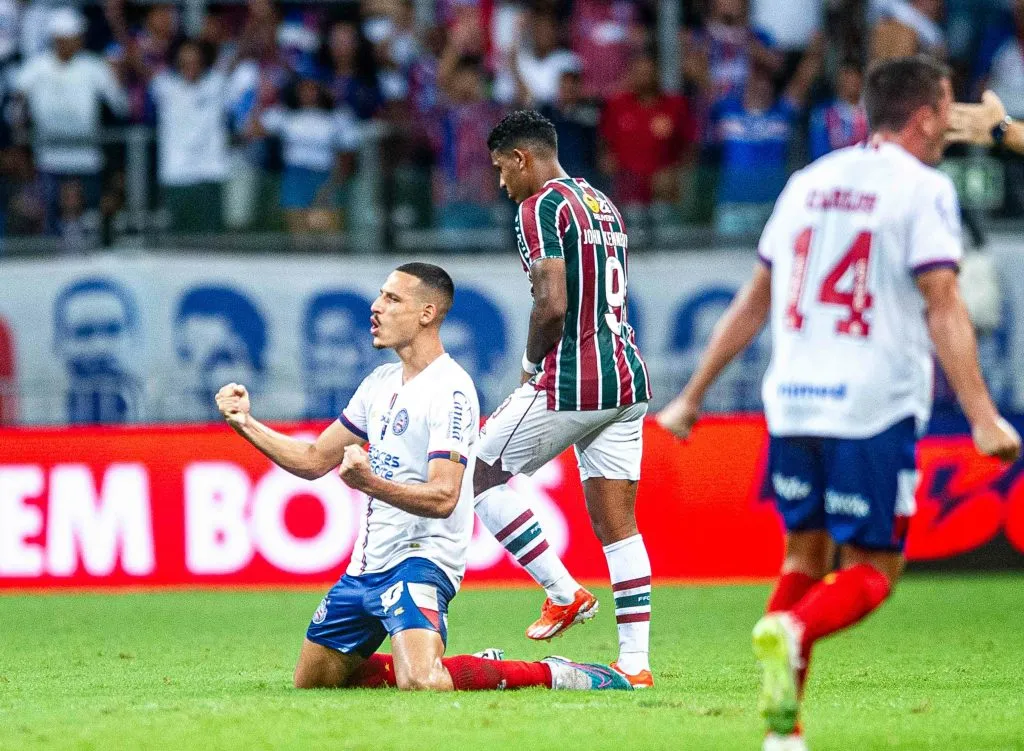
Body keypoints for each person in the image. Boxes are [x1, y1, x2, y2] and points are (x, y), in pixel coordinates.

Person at [657, 56, 1022, 750]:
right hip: (870, 404)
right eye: (946, 108)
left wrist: (692, 396)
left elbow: (753, 298)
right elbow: (944, 305)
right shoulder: (922, 189)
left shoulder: (808, 181)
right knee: (873, 569)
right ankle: (794, 628)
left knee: (803, 557)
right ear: (926, 116)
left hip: (791, 401)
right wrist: (980, 415)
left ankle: (782, 733)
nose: (951, 121)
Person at [215, 262, 630, 693]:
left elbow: (445, 496)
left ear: (427, 313)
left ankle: (556, 674)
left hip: (421, 561)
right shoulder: (379, 382)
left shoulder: (450, 390)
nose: (375, 308)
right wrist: (245, 423)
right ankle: (461, 665)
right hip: (365, 566)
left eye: (392, 299)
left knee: (423, 682)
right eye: (379, 296)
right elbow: (314, 459)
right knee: (315, 680)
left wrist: (370, 483)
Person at [479, 111, 654, 688]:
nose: (503, 185)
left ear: (523, 158)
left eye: (503, 169)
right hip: (626, 376)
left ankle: (563, 591)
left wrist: (532, 364)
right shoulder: (600, 202)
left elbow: (552, 303)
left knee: (471, 476)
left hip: (576, 374)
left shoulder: (539, 209)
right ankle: (636, 664)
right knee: (618, 525)